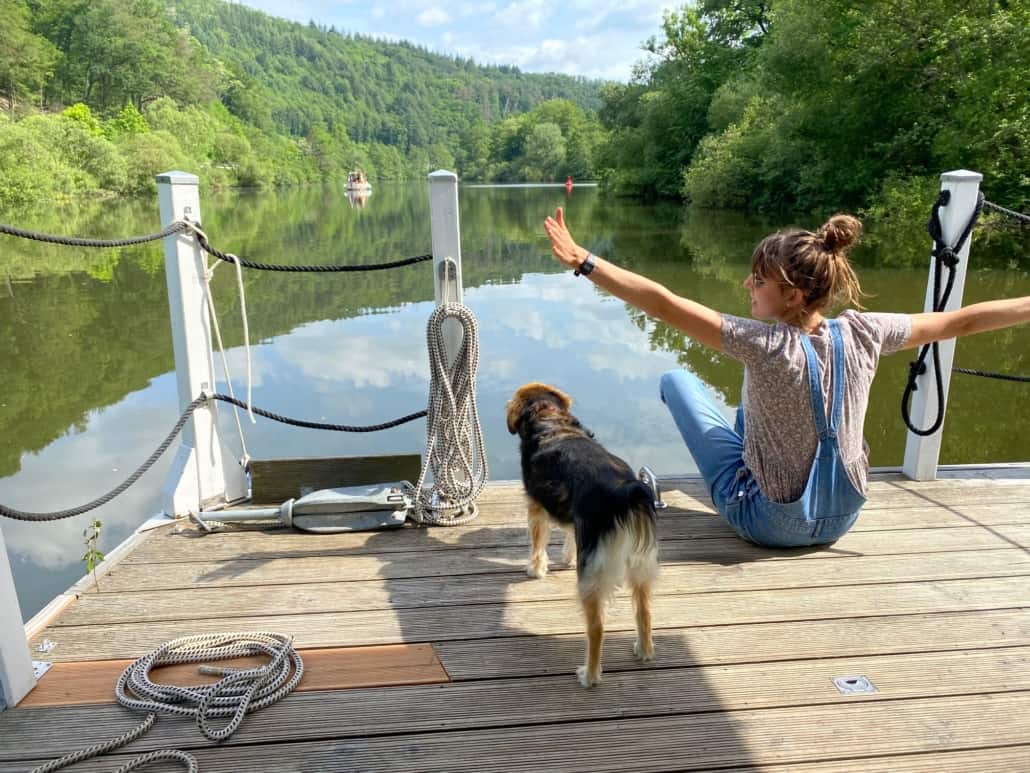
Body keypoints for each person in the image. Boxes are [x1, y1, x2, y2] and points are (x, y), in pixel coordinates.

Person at [543, 207, 1030, 547]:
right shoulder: (866, 330)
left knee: (677, 381)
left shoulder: (763, 344)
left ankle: (746, 483)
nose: (746, 285)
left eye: (757, 279)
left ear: (792, 295)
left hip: (769, 522)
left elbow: (664, 303)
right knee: (751, 408)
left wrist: (585, 261)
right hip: (843, 517)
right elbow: (960, 320)